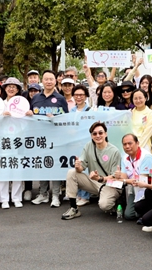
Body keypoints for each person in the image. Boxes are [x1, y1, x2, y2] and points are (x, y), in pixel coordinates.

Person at [61, 122, 124, 220]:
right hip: (95, 182)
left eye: (100, 133)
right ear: (91, 135)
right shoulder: (88, 146)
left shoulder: (114, 151)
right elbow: (82, 167)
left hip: (110, 184)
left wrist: (100, 178)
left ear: (106, 134)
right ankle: (74, 208)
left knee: (104, 205)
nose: (98, 136)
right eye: (94, 134)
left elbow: (115, 177)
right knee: (72, 172)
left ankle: (115, 202)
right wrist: (78, 166)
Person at [31, 71, 68, 207]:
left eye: (51, 79)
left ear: (55, 81)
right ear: (42, 80)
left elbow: (66, 119)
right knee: (42, 165)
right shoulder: (35, 98)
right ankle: (43, 194)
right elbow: (29, 117)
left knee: (55, 166)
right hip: (39, 138)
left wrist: (56, 119)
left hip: (55, 138)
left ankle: (56, 196)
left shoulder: (60, 99)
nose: (48, 81)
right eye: (46, 79)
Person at [120, 133, 152, 221]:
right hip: (133, 187)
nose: (127, 146)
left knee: (139, 211)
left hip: (147, 189)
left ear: (137, 143)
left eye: (130, 143)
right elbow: (123, 177)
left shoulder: (146, 157)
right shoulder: (124, 158)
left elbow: (143, 180)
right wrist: (124, 179)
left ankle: (147, 212)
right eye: (125, 144)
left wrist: (125, 180)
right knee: (128, 215)